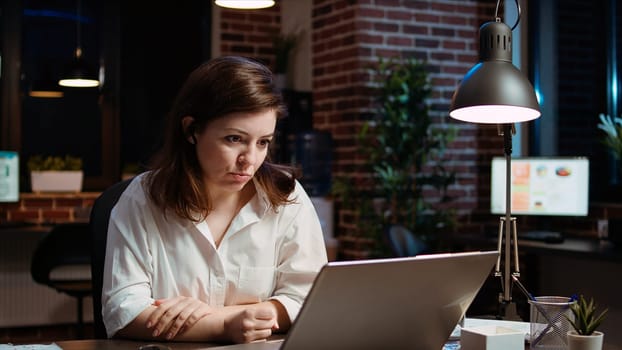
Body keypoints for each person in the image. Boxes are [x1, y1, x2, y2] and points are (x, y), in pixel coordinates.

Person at [101, 56, 328, 343]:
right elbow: (123, 310)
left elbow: (309, 298)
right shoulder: (142, 199)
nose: (250, 160)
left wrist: (223, 317)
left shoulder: (287, 197)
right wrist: (224, 325)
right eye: (234, 139)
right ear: (192, 130)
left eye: (263, 142)